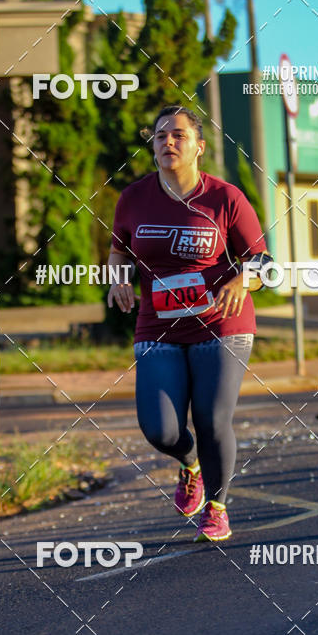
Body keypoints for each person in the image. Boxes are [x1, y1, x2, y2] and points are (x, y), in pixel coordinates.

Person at [107, 105, 268, 541]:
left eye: (178, 135)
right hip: (157, 324)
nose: (167, 142)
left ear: (199, 147)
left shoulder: (226, 198)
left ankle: (217, 506)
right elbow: (119, 251)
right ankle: (190, 464)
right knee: (160, 429)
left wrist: (242, 280)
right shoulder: (133, 198)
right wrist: (118, 280)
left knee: (213, 420)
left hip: (221, 322)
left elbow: (263, 261)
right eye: (160, 136)